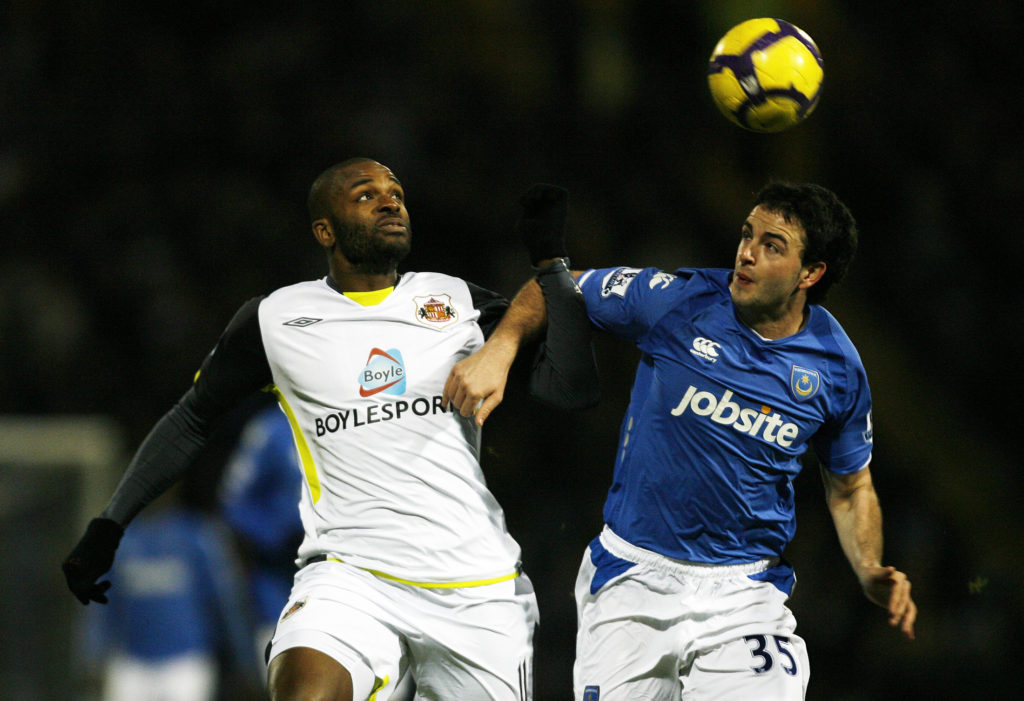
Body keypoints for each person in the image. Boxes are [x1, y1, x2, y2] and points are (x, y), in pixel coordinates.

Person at [62, 158, 560, 701]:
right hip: (350, 576)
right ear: (325, 229)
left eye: (395, 192)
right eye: (366, 195)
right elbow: (192, 418)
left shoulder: (452, 299)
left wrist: (505, 341)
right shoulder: (276, 319)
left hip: (475, 584)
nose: (390, 201)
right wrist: (110, 525)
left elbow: (547, 310)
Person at [444, 182, 918, 700]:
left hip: (745, 596)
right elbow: (556, 287)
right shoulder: (676, 299)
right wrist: (502, 347)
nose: (747, 252)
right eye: (746, 234)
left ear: (811, 273)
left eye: (772, 245)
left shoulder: (837, 368)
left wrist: (869, 567)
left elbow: (851, 486)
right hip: (632, 580)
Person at [82, 486, 261, 701]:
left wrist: (244, 661)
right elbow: (100, 606)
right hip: (131, 662)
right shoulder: (118, 541)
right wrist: (92, 656)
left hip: (186, 662)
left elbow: (226, 602)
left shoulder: (197, 535)